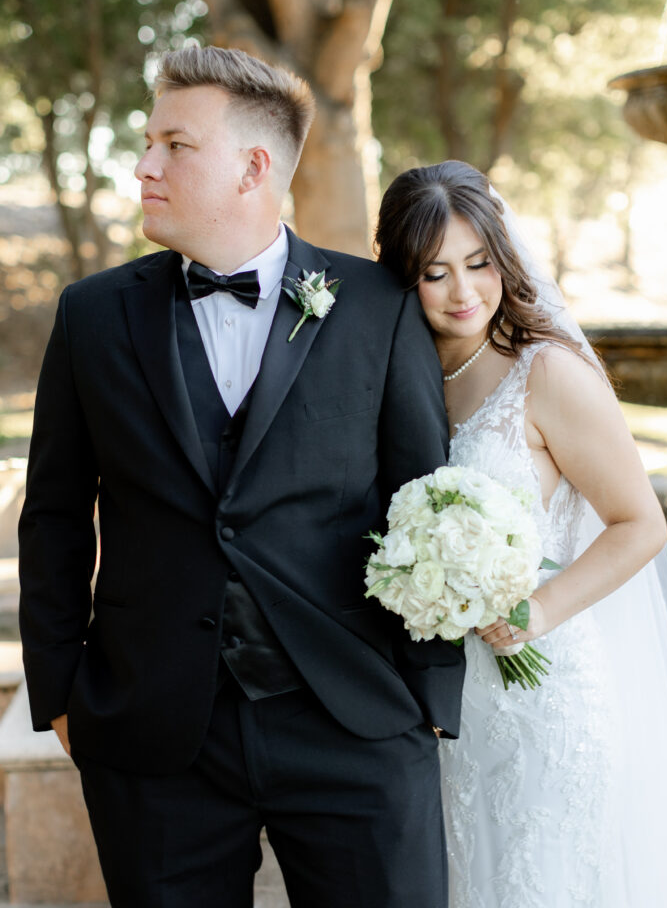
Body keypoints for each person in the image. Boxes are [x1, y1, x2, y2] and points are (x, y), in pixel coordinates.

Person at [18, 47, 466, 908]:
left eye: (175, 145)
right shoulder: (92, 316)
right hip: (152, 734)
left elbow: (426, 498)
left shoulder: (375, 307)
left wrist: (430, 696)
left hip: (354, 722)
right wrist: (62, 696)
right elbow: (56, 517)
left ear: (253, 167)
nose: (145, 164)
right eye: (147, 141)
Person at [375, 159, 667, 908]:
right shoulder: (395, 372)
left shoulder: (545, 373)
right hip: (442, 709)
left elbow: (637, 522)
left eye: (478, 264)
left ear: (504, 259)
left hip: (543, 690)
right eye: (434, 272)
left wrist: (533, 612)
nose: (462, 292)